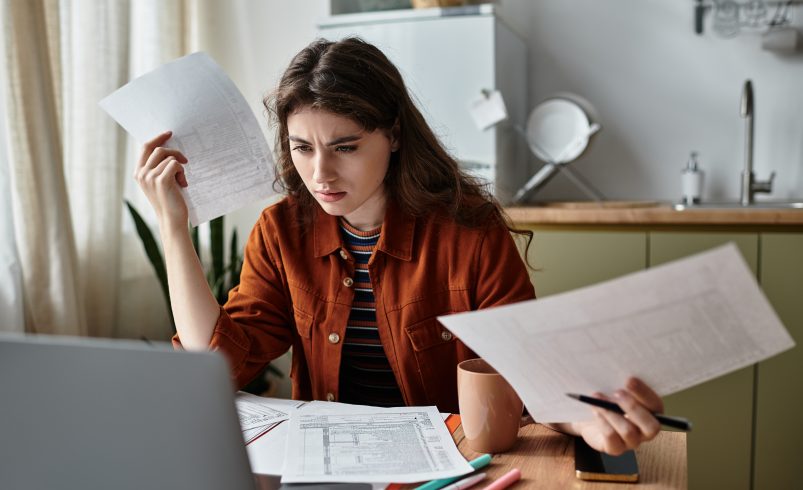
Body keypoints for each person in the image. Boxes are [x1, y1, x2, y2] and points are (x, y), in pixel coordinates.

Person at [134, 37, 663, 456]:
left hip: (452, 466)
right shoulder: (281, 231)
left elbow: (526, 370)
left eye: (345, 147)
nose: (321, 173)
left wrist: (590, 421)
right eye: (302, 148)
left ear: (393, 135)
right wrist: (174, 230)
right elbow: (216, 362)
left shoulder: (470, 231)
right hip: (326, 466)